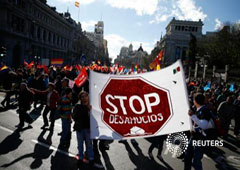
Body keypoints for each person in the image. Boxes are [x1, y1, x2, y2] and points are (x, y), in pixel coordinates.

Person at [184, 93, 216, 170]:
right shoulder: (196, 109)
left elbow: (204, 125)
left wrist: (192, 116)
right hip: (194, 137)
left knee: (196, 161)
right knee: (187, 158)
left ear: (195, 101)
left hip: (201, 140)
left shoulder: (205, 111)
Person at [72, 91, 94, 166]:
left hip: (88, 129)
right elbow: (74, 117)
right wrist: (86, 109)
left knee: (89, 145)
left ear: (88, 97)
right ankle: (80, 158)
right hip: (80, 129)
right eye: (82, 97)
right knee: (80, 144)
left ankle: (91, 158)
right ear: (80, 98)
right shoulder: (77, 106)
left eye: (86, 96)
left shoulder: (92, 106)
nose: (84, 98)